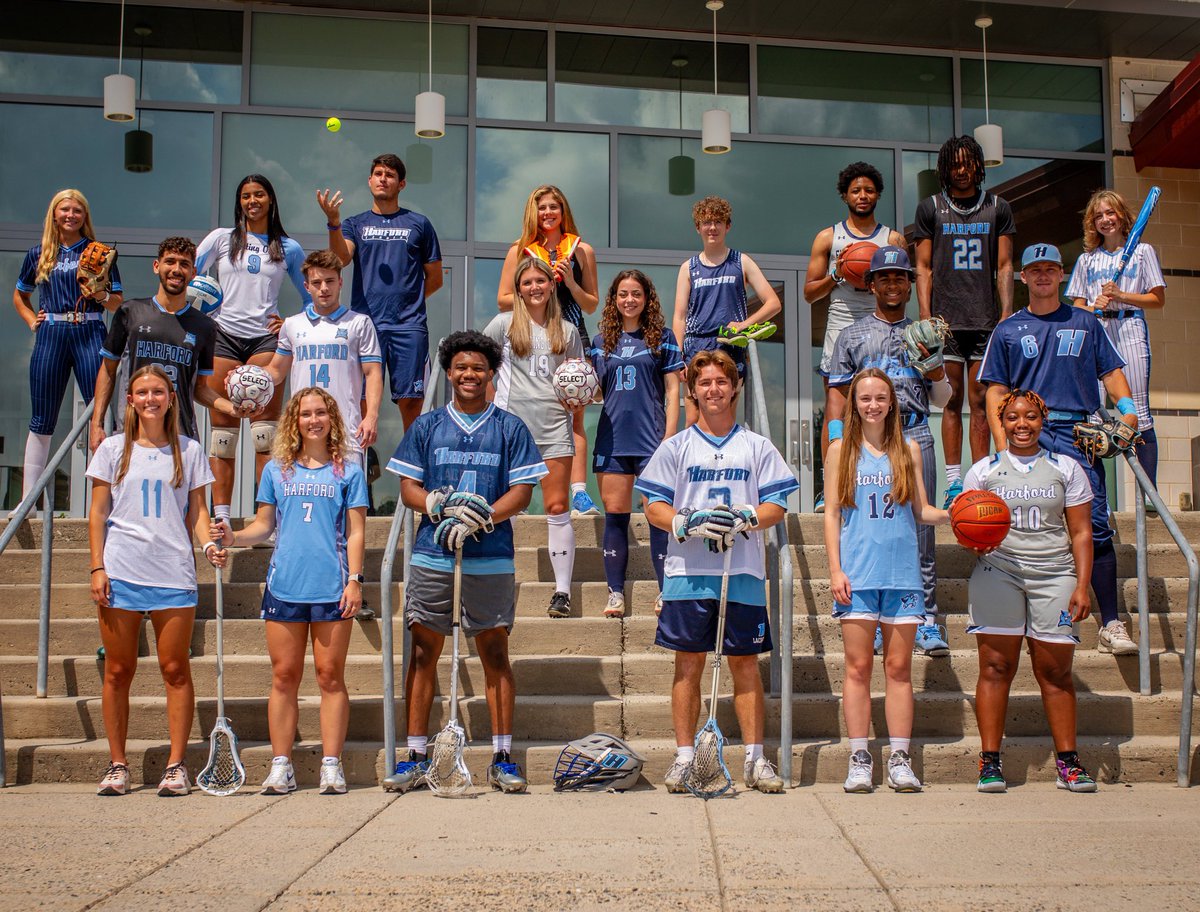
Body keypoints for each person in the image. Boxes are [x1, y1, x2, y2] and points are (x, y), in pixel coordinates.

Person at [383, 331, 547, 794]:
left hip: (489, 557)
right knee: (422, 653)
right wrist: (435, 504)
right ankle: (416, 754)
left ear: (491, 373)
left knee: (495, 653)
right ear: (449, 373)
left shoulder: (509, 427)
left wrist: (483, 517)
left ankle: (502, 757)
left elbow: (523, 492)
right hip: (434, 554)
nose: (469, 375)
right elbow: (408, 488)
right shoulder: (429, 425)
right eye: (461, 368)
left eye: (478, 368)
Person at [636, 349, 798, 794]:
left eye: (721, 382)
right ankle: (685, 758)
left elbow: (777, 505)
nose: (714, 390)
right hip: (688, 570)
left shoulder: (756, 445)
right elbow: (651, 505)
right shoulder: (677, 446)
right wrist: (682, 522)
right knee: (688, 664)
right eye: (705, 383)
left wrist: (747, 517)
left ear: (736, 387)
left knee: (745, 664)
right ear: (692, 390)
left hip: (741, 570)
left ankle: (754, 759)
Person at [979, 243, 1141, 657]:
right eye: (1036, 270)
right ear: (1024, 277)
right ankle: (1019, 610)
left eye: (1051, 269)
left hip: (1078, 431)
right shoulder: (1008, 328)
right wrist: (1001, 447)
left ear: (1062, 274)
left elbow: (1113, 374)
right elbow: (996, 389)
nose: (1043, 276)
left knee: (1095, 524)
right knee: (1017, 521)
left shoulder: (1086, 323)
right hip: (1026, 432)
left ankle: (1110, 622)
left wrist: (1129, 414)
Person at [210, 388, 368, 795]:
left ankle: (331, 765)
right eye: (305, 414)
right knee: (284, 677)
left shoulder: (348, 470)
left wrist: (355, 580)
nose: (313, 420)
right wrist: (232, 537)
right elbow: (265, 526)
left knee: (330, 677)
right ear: (294, 421)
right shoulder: (276, 470)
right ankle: (282, 765)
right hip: (285, 586)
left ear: (332, 419)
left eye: (320, 413)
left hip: (332, 587)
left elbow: (355, 532)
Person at [87, 364, 216, 797]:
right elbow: (98, 514)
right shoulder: (111, 449)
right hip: (121, 570)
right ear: (130, 399)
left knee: (175, 668)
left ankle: (176, 766)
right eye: (141, 392)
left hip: (172, 572)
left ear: (170, 398)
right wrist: (97, 567)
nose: (150, 399)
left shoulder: (190, 450)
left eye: (157, 391)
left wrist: (208, 546)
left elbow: (197, 513)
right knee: (118, 670)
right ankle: (118, 764)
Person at [962, 388, 1098, 793]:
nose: (1022, 424)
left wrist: (1082, 585)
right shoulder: (983, 470)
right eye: (1013, 418)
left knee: (1055, 673)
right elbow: (966, 526)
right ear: (1001, 423)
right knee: (995, 668)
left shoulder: (1067, 468)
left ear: (1043, 420)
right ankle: (989, 762)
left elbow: (1081, 532)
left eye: (1031, 417)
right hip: (998, 572)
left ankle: (1069, 763)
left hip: (1055, 575)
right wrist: (974, 541)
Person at [824, 368, 949, 793]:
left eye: (880, 397)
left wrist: (963, 513)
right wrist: (835, 569)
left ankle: (899, 756)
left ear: (892, 402)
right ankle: (859, 757)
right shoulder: (841, 450)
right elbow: (832, 515)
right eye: (865, 398)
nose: (873, 404)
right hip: (857, 573)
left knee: (898, 669)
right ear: (854, 404)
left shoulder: (908, 449)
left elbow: (922, 511)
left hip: (902, 574)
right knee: (858, 667)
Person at [827, 246, 954, 656]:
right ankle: (877, 619)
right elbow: (837, 393)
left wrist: (935, 369)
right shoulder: (853, 334)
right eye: (885, 277)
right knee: (866, 528)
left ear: (910, 284)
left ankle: (927, 619)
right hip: (863, 443)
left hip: (914, 435)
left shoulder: (926, 331)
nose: (893, 284)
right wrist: (834, 440)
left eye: (900, 277)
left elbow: (943, 398)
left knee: (920, 532)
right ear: (872, 283)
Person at [196, 174, 310, 526]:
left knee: (265, 434)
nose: (252, 201)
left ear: (270, 200)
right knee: (223, 433)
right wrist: (202, 311)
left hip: (264, 341)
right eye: (245, 196)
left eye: (259, 194)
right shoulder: (221, 239)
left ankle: (266, 518)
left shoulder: (287, 247)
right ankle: (222, 517)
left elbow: (312, 296)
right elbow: (190, 279)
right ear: (239, 202)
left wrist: (289, 322)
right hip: (223, 336)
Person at [913, 135, 1016, 507]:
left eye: (966, 162)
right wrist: (925, 315)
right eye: (954, 164)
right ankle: (955, 482)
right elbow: (922, 267)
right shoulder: (931, 208)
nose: (960, 169)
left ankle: (980, 478)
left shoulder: (998, 207)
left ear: (977, 164)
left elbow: (1004, 265)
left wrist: (1006, 314)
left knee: (983, 402)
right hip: (946, 322)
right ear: (945, 167)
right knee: (952, 402)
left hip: (985, 319)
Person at [483, 256, 585, 618]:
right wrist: (491, 406)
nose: (535, 287)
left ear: (550, 284)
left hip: (554, 426)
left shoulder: (568, 331)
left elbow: (578, 379)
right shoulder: (503, 324)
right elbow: (480, 367)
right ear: (519, 288)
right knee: (509, 508)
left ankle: (561, 592)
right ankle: (499, 582)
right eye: (527, 282)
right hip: (512, 430)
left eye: (540, 280)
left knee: (557, 507)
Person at [803, 163, 906, 512]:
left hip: (882, 324)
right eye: (856, 191)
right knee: (838, 406)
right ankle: (829, 482)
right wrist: (838, 271)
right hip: (842, 323)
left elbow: (903, 283)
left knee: (885, 402)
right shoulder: (828, 237)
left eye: (869, 190)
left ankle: (889, 477)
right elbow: (809, 293)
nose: (863, 196)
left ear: (878, 195)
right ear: (845, 195)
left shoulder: (891, 239)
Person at [317, 153, 443, 431]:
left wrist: (409, 304)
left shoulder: (419, 224)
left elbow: (434, 278)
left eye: (390, 175)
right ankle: (358, 466)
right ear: (370, 180)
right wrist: (334, 223)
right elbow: (341, 259)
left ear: (402, 184)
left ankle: (414, 471)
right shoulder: (354, 223)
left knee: (412, 401)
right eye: (378, 173)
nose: (383, 178)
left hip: (409, 327)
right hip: (365, 326)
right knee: (361, 400)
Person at [498, 185, 601, 517]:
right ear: (533, 211)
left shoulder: (581, 249)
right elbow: (502, 299)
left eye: (553, 207)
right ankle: (516, 492)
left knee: (573, 415)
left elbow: (591, 303)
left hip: (568, 332)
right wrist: (537, 289)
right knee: (528, 411)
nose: (547, 214)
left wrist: (569, 282)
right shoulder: (521, 250)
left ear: (563, 210)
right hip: (532, 334)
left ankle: (580, 492)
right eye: (541, 208)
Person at [14, 189, 124, 502]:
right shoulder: (39, 254)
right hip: (52, 331)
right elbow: (19, 296)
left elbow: (117, 302)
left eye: (77, 210)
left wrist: (98, 295)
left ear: (84, 216)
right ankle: (28, 501)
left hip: (89, 327)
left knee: (99, 414)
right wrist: (31, 318)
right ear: (54, 214)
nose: (71, 215)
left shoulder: (99, 252)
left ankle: (109, 498)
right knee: (42, 417)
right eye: (65, 210)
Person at [90, 237, 248, 451]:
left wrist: (231, 408)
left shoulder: (204, 326)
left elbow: (200, 389)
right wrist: (97, 423)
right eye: (170, 262)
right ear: (157, 266)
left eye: (184, 264)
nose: (176, 269)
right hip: (133, 433)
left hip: (180, 437)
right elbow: (108, 371)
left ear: (193, 274)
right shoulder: (131, 311)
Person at [589, 270, 683, 618]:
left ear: (647, 299)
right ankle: (615, 593)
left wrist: (669, 437)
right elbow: (596, 391)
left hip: (651, 439)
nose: (629, 300)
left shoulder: (663, 337)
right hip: (613, 439)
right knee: (616, 515)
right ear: (614, 299)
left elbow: (674, 390)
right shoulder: (600, 343)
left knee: (657, 515)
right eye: (623, 294)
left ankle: (666, 590)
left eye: (636, 294)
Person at [1067, 189, 1166, 486]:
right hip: (1098, 332)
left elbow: (1157, 299)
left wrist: (1122, 295)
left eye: (1110, 213)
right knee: (1093, 415)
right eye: (1099, 216)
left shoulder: (1142, 251)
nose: (1105, 220)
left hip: (1130, 328)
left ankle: (1148, 493)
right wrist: (1092, 307)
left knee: (1138, 411)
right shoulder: (1087, 260)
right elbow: (1077, 307)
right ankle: (1095, 495)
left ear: (1121, 215)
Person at [264, 249, 384, 473]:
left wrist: (371, 416)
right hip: (302, 431)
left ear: (340, 282)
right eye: (317, 282)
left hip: (346, 432)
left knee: (348, 504)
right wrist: (245, 375)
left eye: (330, 281)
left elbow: (373, 373)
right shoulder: (291, 324)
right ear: (307, 286)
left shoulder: (359, 323)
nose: (324, 288)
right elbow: (276, 371)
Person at [671, 196, 782, 426]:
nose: (712, 228)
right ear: (698, 228)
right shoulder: (688, 268)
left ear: (727, 226)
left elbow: (773, 303)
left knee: (725, 418)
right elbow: (679, 316)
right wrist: (676, 356)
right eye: (707, 222)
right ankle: (693, 464)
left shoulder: (741, 261)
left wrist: (743, 325)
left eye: (718, 222)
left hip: (729, 346)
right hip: (696, 345)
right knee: (693, 418)